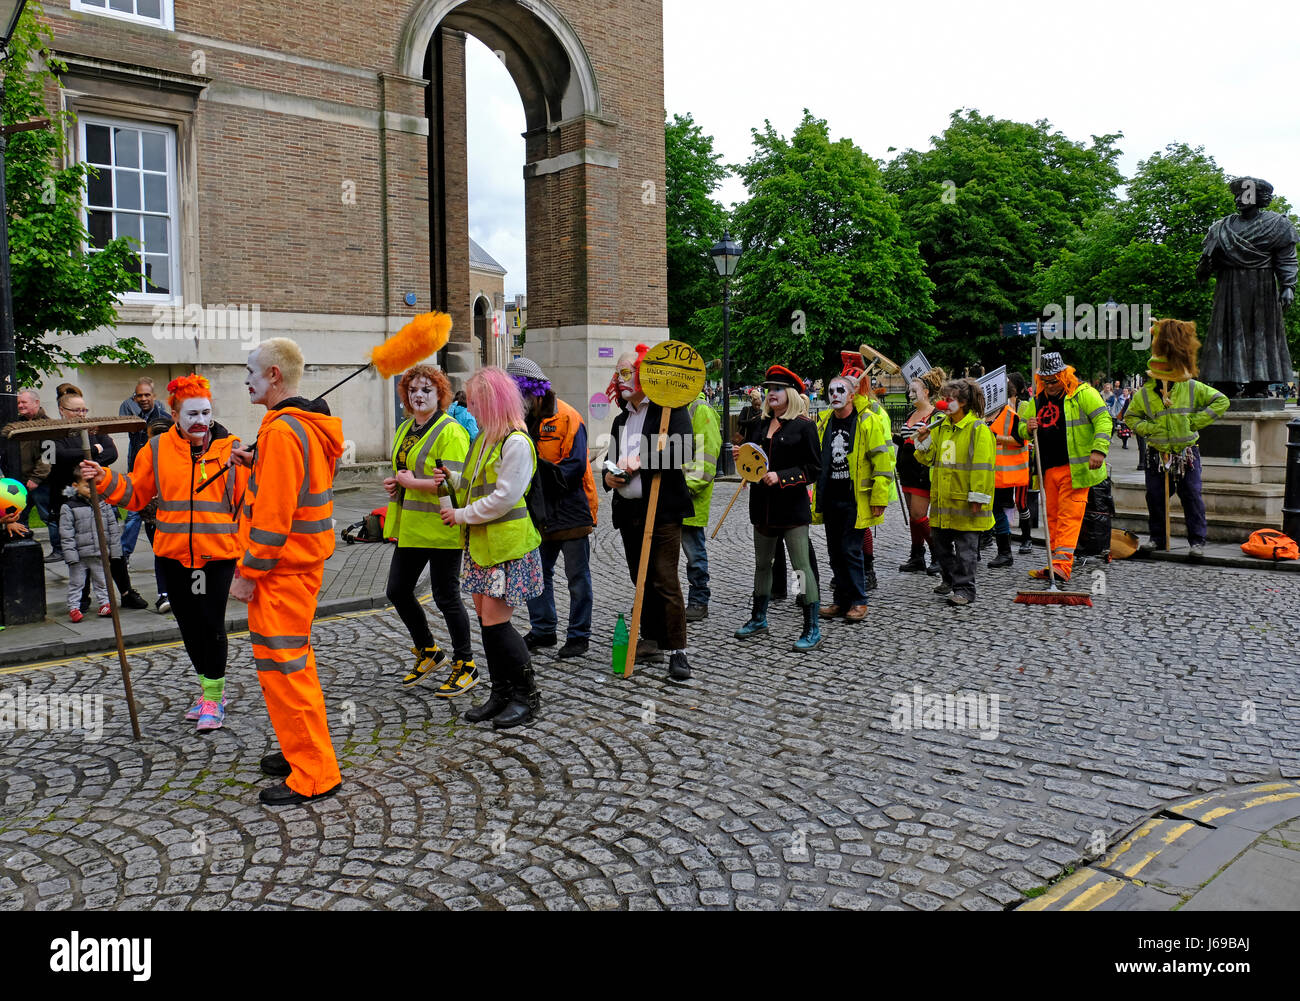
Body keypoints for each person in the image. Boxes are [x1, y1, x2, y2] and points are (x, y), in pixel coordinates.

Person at [84, 375, 249, 731]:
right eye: (191, 413)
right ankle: (207, 690)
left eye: (205, 412)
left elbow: (249, 505)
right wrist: (103, 478)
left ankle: (214, 698)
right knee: (188, 626)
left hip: (217, 556)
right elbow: (135, 495)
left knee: (211, 625)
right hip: (172, 555)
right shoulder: (156, 450)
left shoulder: (231, 448)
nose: (200, 421)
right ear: (174, 413)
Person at [231, 338, 344, 805]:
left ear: (274, 375)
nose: (246, 380)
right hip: (300, 566)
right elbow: (306, 485)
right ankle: (300, 750)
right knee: (293, 666)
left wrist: (246, 573)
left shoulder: (282, 432)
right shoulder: (304, 427)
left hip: (280, 571)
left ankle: (315, 773)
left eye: (251, 371)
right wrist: (258, 461)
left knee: (286, 670)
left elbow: (273, 520)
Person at [432, 366, 546, 724]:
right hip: (485, 547)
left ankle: (527, 698)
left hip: (506, 548)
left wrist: (460, 516)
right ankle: (501, 693)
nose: (471, 408)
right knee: (487, 623)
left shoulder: (515, 441)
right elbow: (475, 483)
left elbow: (503, 498)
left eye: (478, 401)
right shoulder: (486, 438)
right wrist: (450, 477)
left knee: (497, 625)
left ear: (494, 402)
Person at [381, 364, 475, 693]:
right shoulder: (406, 428)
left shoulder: (451, 431)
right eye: (413, 390)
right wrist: (397, 485)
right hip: (412, 527)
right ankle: (428, 651)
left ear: (440, 394)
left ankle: (466, 664)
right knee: (397, 591)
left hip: (443, 525)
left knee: (446, 596)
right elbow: (405, 470)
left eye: (426, 390)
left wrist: (414, 483)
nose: (418, 395)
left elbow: (460, 482)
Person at [604, 346, 695, 679]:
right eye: (618, 373)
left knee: (663, 578)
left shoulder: (667, 410)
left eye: (627, 372)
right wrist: (608, 475)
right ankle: (653, 638)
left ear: (644, 373)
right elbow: (611, 458)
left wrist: (642, 461)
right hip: (629, 511)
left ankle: (678, 650)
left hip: (663, 511)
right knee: (638, 578)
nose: (620, 379)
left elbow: (684, 448)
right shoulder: (621, 418)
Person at [507, 356, 598, 658]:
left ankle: (579, 635)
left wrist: (532, 464)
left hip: (571, 511)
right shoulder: (520, 421)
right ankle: (544, 630)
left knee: (577, 578)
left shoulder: (568, 418)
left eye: (519, 394)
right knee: (537, 576)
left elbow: (572, 470)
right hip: (538, 514)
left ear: (532, 390)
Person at [732, 364, 824, 651]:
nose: (770, 393)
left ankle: (812, 627)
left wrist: (782, 477)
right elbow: (754, 461)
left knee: (800, 567)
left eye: (777, 389)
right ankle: (759, 618)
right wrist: (741, 457)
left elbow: (813, 469)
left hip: (791, 508)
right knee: (763, 565)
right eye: (769, 388)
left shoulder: (804, 426)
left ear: (791, 393)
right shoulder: (758, 425)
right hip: (762, 507)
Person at [1124, 319, 1229, 558]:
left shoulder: (1192, 387)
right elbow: (1130, 417)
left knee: (1191, 495)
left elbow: (1222, 401)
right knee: (1155, 497)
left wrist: (1195, 422)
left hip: (1186, 453)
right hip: (1156, 455)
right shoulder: (1144, 394)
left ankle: (1197, 542)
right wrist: (1148, 429)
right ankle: (1158, 538)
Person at [1197, 176, 1296, 398]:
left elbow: (1287, 258)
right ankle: (1226, 381)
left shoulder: (1277, 225)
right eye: (1237, 195)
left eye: (1245, 194)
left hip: (1260, 288)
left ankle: (1259, 384)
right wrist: (1204, 267)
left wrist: (1288, 285)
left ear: (1259, 198)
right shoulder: (1221, 227)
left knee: (1260, 333)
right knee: (1226, 333)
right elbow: (1205, 264)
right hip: (1228, 287)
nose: (1239, 199)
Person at [1023, 351, 1112, 582]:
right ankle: (1054, 563)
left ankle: (1062, 564)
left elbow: (1104, 419)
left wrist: (1099, 449)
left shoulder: (1084, 394)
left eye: (1054, 381)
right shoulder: (1037, 400)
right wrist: (1027, 428)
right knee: (1051, 517)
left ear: (1064, 376)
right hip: (1048, 469)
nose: (1050, 386)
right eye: (1046, 381)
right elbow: (1023, 429)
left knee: (1069, 517)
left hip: (1077, 470)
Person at [813, 370, 892, 621]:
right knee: (835, 551)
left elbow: (882, 460)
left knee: (850, 550)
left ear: (852, 394)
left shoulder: (868, 421)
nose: (834, 395)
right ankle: (841, 600)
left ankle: (859, 601)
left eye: (840, 390)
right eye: (831, 391)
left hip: (855, 498)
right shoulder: (824, 420)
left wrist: (879, 497)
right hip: (830, 496)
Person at [911, 378, 996, 606]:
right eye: (943, 399)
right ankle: (949, 579)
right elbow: (928, 459)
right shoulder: (942, 427)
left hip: (966, 501)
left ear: (964, 402)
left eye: (949, 400)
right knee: (940, 546)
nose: (944, 404)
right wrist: (923, 441)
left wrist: (977, 497)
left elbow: (983, 468)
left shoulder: (978, 430)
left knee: (966, 549)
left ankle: (965, 589)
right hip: (942, 501)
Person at [49, 389, 119, 609]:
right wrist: (91, 452)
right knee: (78, 550)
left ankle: (120, 592)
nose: (81, 414)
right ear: (62, 411)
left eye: (84, 410)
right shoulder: (54, 432)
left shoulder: (93, 429)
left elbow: (112, 452)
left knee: (106, 543)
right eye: (76, 410)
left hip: (97, 493)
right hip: (69, 497)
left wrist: (90, 453)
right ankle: (82, 597)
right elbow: (55, 457)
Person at [894, 367, 947, 575]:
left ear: (926, 392)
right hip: (906, 470)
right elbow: (907, 440)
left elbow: (936, 443)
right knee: (913, 517)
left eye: (913, 390)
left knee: (919, 514)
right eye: (909, 391)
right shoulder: (910, 414)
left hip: (923, 471)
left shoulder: (936, 415)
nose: (910, 394)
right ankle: (917, 555)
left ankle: (939, 554)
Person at [117, 377, 168, 585]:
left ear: (154, 396)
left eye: (147, 395)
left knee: (155, 525)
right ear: (134, 397)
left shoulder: (163, 418)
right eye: (140, 395)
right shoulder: (133, 418)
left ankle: (163, 569)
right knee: (132, 517)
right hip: (137, 475)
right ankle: (124, 555)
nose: (144, 398)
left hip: (157, 480)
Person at [58, 466, 120, 622]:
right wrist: (70, 555)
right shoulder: (69, 507)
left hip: (100, 553)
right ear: (75, 486)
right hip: (79, 555)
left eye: (95, 486)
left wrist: (115, 551)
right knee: (77, 583)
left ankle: (105, 604)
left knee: (102, 580)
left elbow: (113, 527)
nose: (92, 490)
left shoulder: (103, 503)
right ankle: (74, 607)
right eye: (87, 486)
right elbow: (66, 533)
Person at [681, 388, 722, 621]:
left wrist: (684, 489)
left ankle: (699, 600)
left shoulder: (699, 409)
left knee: (694, 554)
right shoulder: (677, 407)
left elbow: (707, 460)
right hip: (676, 496)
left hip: (689, 498)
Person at [986, 371, 1030, 569]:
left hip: (1004, 474)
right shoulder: (990, 414)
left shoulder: (1010, 416)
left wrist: (996, 438)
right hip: (991, 472)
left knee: (997, 510)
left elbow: (1021, 441)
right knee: (991, 509)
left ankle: (1005, 553)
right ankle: (999, 550)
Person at [14, 389, 49, 531]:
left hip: (41, 483)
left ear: (36, 403)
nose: (20, 405)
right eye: (18, 403)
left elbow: (48, 456)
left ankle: (59, 551)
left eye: (23, 402)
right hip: (19, 483)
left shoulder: (47, 424)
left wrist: (37, 478)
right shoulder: (16, 424)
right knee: (18, 519)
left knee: (48, 517)